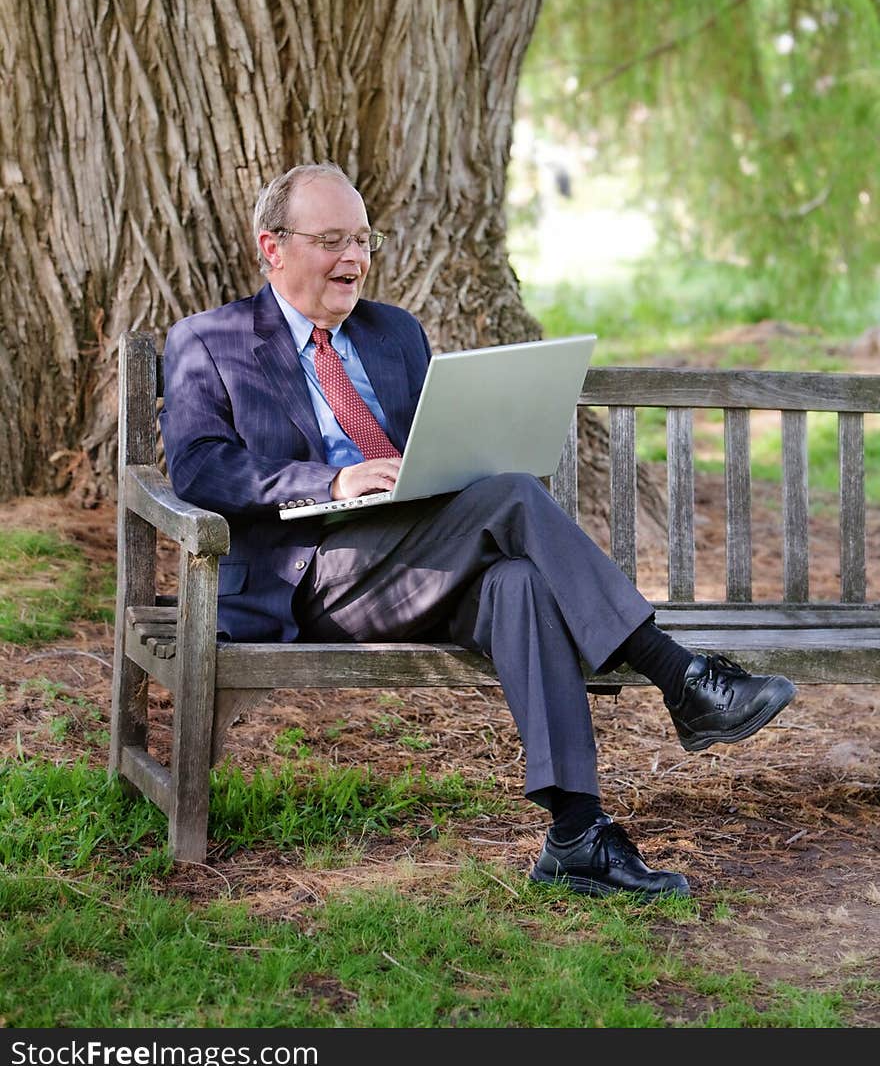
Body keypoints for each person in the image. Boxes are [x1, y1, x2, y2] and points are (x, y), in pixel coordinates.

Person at [160, 161, 796, 900]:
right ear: (272, 247)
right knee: (515, 500)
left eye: (363, 240)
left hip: (420, 564)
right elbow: (201, 470)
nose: (354, 259)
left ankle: (576, 836)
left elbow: (443, 453)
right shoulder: (210, 340)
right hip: (306, 576)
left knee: (520, 582)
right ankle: (678, 675)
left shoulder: (394, 334)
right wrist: (331, 481)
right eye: (332, 240)